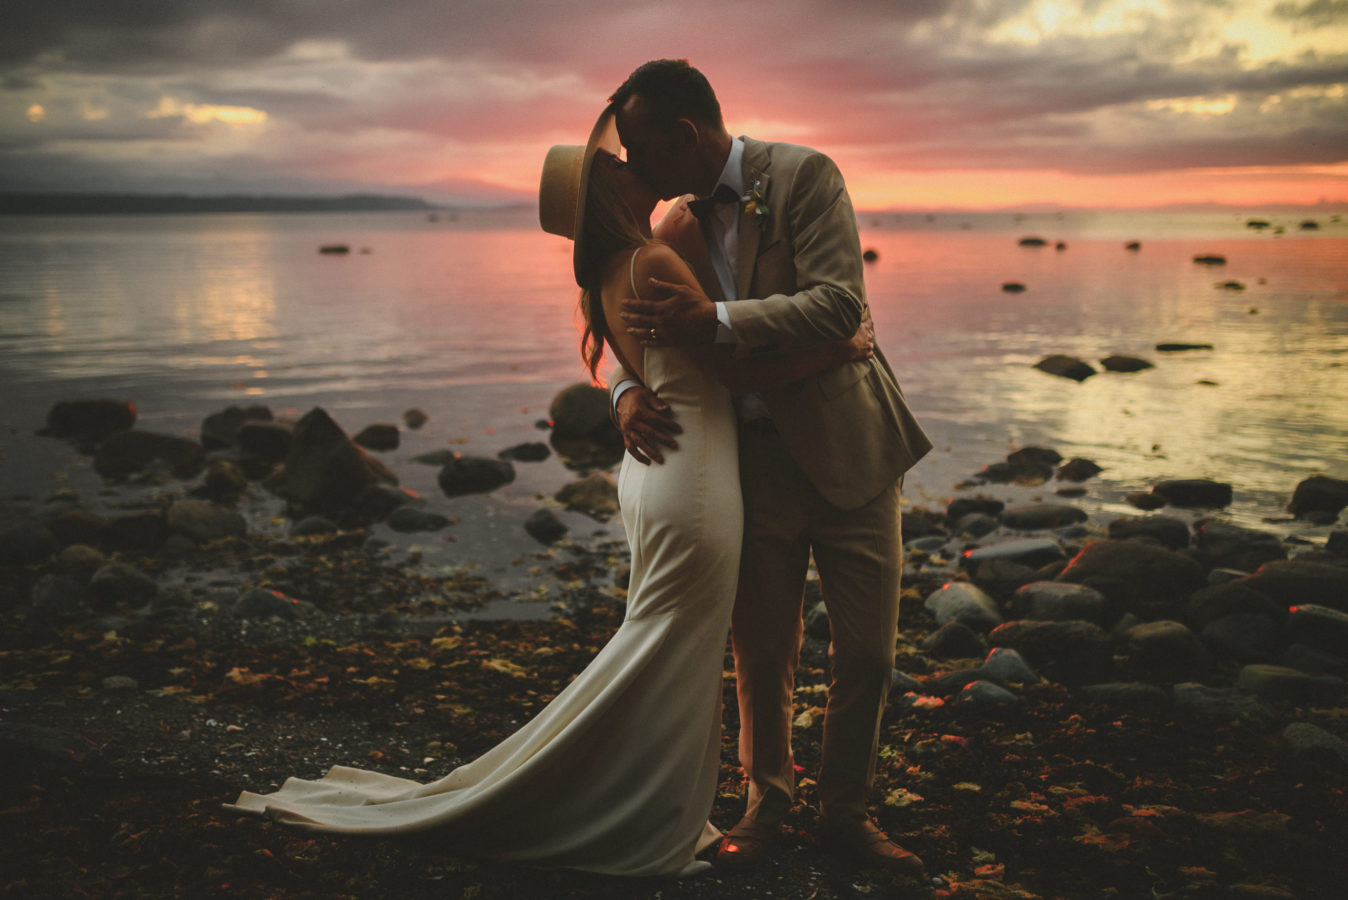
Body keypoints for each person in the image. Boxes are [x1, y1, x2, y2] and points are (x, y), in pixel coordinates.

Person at [225, 108, 872, 879]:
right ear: (607, 193)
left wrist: (628, 386)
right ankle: (632, 808)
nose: (636, 165)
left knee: (666, 643)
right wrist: (832, 351)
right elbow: (723, 371)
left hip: (666, 472)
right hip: (693, 475)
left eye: (636, 153)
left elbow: (654, 354)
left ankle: (653, 801)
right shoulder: (654, 260)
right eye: (622, 164)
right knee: (675, 645)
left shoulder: (615, 268)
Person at [605, 59, 932, 872]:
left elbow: (841, 305)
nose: (637, 172)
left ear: (686, 135)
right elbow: (622, 323)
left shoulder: (805, 176)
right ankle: (767, 803)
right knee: (761, 651)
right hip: (748, 466)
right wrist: (621, 394)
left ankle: (848, 814)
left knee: (867, 654)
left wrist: (713, 318)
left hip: (852, 448)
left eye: (642, 152)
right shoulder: (672, 226)